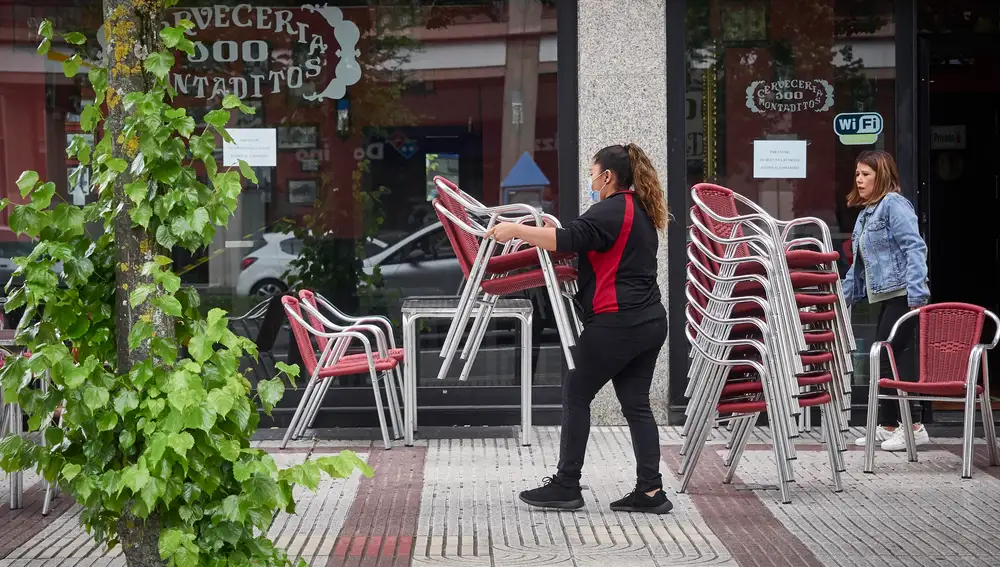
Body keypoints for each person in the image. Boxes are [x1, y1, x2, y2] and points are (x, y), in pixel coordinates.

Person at [486, 143, 671, 514]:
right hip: (651, 320)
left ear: (607, 177)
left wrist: (514, 230)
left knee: (576, 391)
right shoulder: (641, 210)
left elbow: (565, 239)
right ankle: (651, 491)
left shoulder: (610, 210)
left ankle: (567, 485)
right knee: (636, 405)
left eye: (592, 173)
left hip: (617, 322)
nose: (590, 180)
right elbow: (586, 245)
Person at [842, 150, 930, 451]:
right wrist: (842, 299)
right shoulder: (867, 213)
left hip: (904, 293)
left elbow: (915, 248)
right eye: (857, 174)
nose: (859, 179)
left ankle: (914, 426)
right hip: (888, 295)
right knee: (884, 357)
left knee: (889, 355)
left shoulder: (894, 204)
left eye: (866, 174)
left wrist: (917, 294)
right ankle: (890, 424)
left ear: (882, 175)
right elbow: (858, 266)